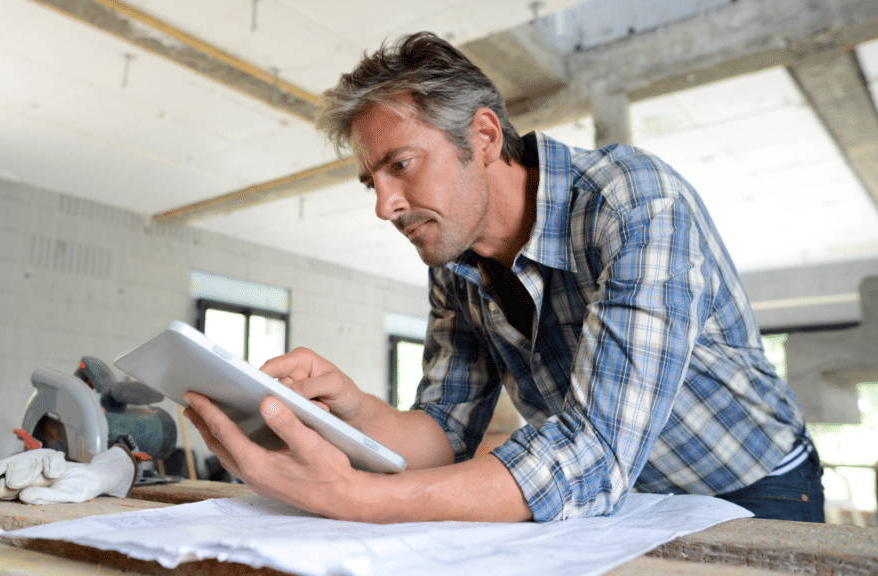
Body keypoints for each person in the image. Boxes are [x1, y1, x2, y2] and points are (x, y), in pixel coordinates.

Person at [184, 32, 824, 524]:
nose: (385, 206)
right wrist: (354, 411)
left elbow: (592, 455)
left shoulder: (633, 204)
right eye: (371, 182)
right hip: (632, 506)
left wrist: (359, 496)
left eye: (401, 165)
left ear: (484, 135)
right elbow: (445, 430)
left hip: (755, 484)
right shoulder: (455, 265)